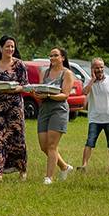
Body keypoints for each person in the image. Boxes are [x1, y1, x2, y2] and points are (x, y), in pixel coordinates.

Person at [0, 35, 28, 182]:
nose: (10, 49)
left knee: (17, 137)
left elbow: (25, 85)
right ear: (1, 48)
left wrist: (13, 89)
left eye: (12, 47)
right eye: (7, 46)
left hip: (15, 106)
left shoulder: (19, 65)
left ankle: (22, 168)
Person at [34, 47, 76, 185]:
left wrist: (48, 95)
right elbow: (40, 90)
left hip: (59, 110)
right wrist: (36, 93)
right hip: (44, 109)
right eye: (50, 55)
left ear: (62, 58)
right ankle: (64, 167)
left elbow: (65, 95)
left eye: (55, 55)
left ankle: (48, 178)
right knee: (43, 145)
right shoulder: (44, 73)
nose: (52, 58)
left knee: (52, 145)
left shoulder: (67, 73)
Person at [78, 57, 109, 173]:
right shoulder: (89, 80)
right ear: (92, 68)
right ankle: (84, 165)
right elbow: (84, 92)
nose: (99, 69)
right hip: (95, 118)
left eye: (101, 67)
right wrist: (92, 80)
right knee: (90, 142)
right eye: (97, 67)